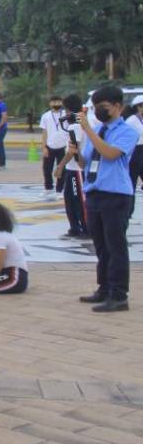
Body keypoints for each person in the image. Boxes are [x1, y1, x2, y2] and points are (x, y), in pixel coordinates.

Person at [73, 85, 135, 312]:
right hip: (94, 192)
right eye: (96, 107)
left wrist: (88, 130)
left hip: (116, 195)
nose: (99, 111)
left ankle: (119, 294)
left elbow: (110, 154)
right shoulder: (98, 129)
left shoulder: (127, 131)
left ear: (118, 106)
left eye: (103, 107)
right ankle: (104, 288)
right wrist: (76, 153)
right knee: (100, 245)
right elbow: (86, 163)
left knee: (115, 246)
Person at [55, 93, 89, 239]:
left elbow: (73, 149)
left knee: (78, 199)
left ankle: (86, 228)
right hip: (71, 168)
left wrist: (60, 165)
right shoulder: (74, 124)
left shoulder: (77, 125)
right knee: (69, 198)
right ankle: (74, 227)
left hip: (77, 170)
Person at [39, 95, 67, 191]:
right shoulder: (45, 116)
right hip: (50, 146)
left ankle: (60, 188)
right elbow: (44, 133)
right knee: (47, 169)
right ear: (50, 104)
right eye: (54, 102)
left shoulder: (66, 114)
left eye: (58, 102)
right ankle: (48, 187)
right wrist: (44, 147)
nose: (56, 104)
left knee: (62, 169)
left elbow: (79, 121)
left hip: (63, 147)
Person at [126, 94, 143, 219]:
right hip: (135, 152)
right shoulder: (132, 120)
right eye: (141, 106)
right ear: (137, 107)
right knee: (131, 182)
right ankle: (128, 211)